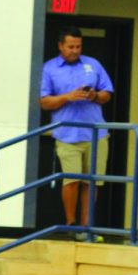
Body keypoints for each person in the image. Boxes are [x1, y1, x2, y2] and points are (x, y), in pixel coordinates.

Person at [40, 26, 114, 242]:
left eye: (78, 46)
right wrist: (67, 97)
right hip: (66, 133)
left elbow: (107, 93)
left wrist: (94, 96)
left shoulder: (93, 65)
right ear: (60, 46)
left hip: (96, 133)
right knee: (71, 180)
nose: (74, 50)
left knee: (92, 182)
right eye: (70, 46)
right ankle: (71, 225)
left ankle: (87, 227)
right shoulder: (49, 68)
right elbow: (44, 101)